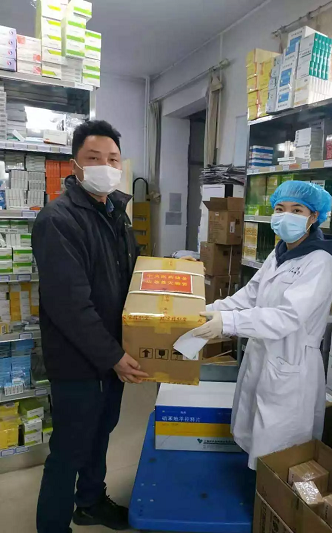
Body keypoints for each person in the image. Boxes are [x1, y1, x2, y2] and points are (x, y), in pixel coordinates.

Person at [33, 120, 148, 533]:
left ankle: (90, 502)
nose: (105, 166)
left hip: (110, 355)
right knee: (69, 449)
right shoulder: (58, 220)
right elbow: (70, 306)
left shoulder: (115, 212)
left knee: (101, 434)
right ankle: (52, 525)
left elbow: (130, 277)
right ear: (75, 165)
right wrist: (113, 355)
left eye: (113, 159)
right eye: (94, 158)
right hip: (78, 361)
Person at [193, 181, 332, 469]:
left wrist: (228, 323)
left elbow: (287, 317)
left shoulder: (320, 262)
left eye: (296, 210)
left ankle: (273, 492)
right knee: (256, 429)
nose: (286, 216)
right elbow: (249, 295)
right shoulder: (279, 253)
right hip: (263, 354)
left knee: (281, 447)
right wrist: (207, 311)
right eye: (280, 209)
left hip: (292, 361)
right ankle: (259, 483)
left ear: (313, 217)